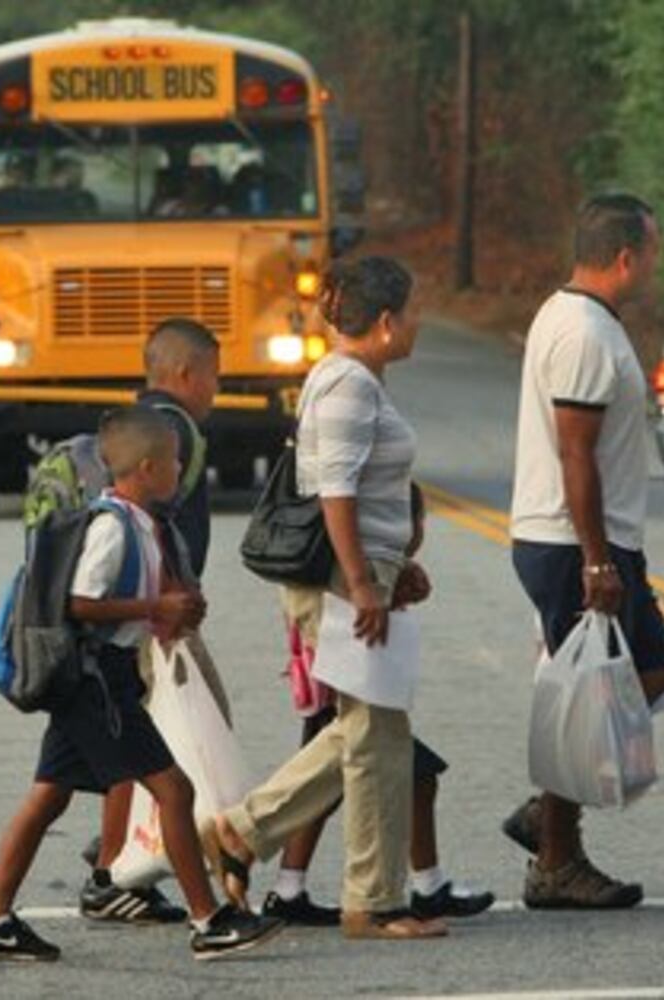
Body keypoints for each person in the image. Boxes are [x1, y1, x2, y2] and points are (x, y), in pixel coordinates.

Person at [0, 407, 282, 962]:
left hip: (97, 679)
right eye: (176, 462)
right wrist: (155, 604)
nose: (183, 470)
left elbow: (131, 607)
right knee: (174, 791)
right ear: (148, 466)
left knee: (48, 797)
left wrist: (172, 614)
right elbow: (80, 604)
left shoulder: (141, 522)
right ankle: (208, 920)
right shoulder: (111, 525)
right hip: (97, 682)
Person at [200, 256, 450, 941]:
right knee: (373, 735)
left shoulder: (361, 382)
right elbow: (334, 492)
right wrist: (365, 583)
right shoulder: (346, 385)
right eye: (415, 312)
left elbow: (369, 494)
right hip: (343, 578)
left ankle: (246, 833)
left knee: (373, 732)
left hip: (366, 571)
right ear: (389, 321)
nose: (421, 323)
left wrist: (397, 570)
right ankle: (370, 901)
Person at [503, 193, 664, 909]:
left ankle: (548, 817)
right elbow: (576, 453)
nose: (656, 265)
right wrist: (597, 560)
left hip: (593, 539)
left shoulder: (583, 318)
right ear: (626, 257)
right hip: (571, 539)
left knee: (654, 669)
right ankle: (555, 862)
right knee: (586, 700)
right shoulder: (581, 332)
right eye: (654, 251)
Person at [264, 482, 496, 926]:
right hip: (342, 694)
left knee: (379, 781)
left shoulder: (363, 568)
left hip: (334, 692)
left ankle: (291, 885)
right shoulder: (360, 572)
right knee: (353, 781)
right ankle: (421, 886)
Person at [78, 319, 232, 924]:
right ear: (187, 373)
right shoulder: (176, 434)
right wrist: (172, 603)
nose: (218, 389)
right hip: (153, 613)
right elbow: (160, 521)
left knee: (136, 745)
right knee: (159, 739)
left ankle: (122, 861)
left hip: (141, 612)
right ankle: (115, 868)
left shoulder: (127, 423)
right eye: (214, 375)